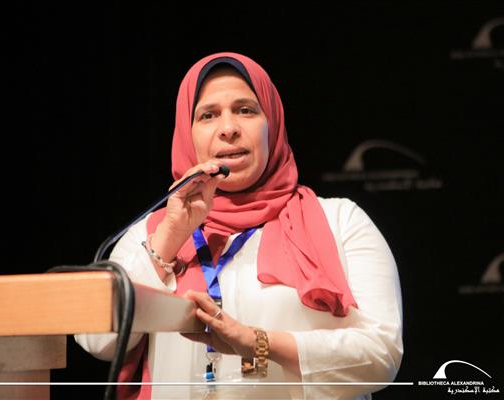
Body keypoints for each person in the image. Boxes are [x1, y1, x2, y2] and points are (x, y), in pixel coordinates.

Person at [75, 52, 403, 399]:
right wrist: (171, 236)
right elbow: (97, 340)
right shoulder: (152, 233)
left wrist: (258, 343)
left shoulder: (341, 221)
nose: (228, 128)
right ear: (186, 135)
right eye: (208, 115)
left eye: (245, 110)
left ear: (272, 123)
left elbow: (381, 353)